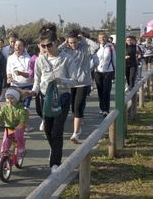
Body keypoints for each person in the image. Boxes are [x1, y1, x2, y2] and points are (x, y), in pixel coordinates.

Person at [25, 23, 77, 173]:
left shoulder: (67, 59)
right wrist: (33, 92)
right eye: (43, 46)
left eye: (49, 45)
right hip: (45, 98)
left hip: (62, 97)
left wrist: (62, 80)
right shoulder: (41, 59)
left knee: (57, 131)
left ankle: (55, 163)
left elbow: (74, 80)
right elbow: (37, 80)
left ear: (56, 43)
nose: (47, 48)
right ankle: (53, 149)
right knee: (48, 130)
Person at [58, 30, 99, 143]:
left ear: (79, 40)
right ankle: (78, 125)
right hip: (71, 82)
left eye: (75, 42)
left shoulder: (84, 48)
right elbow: (56, 51)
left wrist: (84, 38)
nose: (73, 45)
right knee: (72, 105)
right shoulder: (67, 49)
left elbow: (96, 47)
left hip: (83, 82)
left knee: (78, 105)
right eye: (71, 43)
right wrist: (65, 43)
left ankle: (75, 133)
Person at [0, 88, 28, 156]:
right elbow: (0, 115)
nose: (9, 100)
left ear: (17, 99)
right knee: (5, 141)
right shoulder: (5, 108)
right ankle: (3, 155)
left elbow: (23, 118)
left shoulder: (21, 108)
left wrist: (21, 125)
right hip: (9, 127)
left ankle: (21, 147)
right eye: (7, 98)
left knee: (18, 135)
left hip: (18, 127)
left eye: (12, 98)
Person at [6, 39, 34, 132]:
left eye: (20, 45)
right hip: (15, 85)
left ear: (24, 47)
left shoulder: (28, 59)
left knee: (25, 108)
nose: (17, 47)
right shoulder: (10, 58)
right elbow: (8, 71)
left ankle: (25, 125)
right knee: (14, 107)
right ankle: (15, 124)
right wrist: (9, 77)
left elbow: (30, 74)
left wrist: (21, 73)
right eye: (16, 45)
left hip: (27, 85)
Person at [95, 32, 116, 117]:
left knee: (106, 90)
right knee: (100, 90)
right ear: (98, 39)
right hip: (98, 71)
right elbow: (93, 59)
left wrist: (115, 71)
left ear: (106, 38)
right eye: (100, 38)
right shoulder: (96, 47)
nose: (102, 40)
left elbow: (114, 58)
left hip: (108, 70)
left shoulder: (110, 47)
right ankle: (101, 107)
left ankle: (106, 109)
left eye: (103, 38)